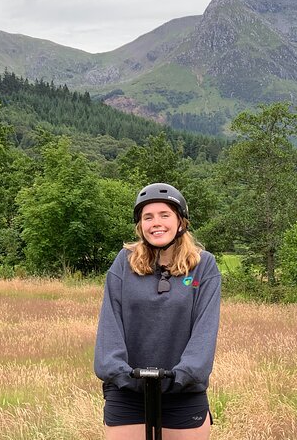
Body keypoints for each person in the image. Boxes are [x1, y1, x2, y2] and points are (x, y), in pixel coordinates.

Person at [94, 182, 221, 440]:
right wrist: (118, 371)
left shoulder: (204, 266)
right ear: (140, 225)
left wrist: (186, 373)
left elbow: (205, 330)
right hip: (127, 391)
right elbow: (110, 324)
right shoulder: (124, 263)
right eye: (148, 217)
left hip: (184, 392)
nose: (156, 223)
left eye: (165, 215)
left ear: (181, 222)